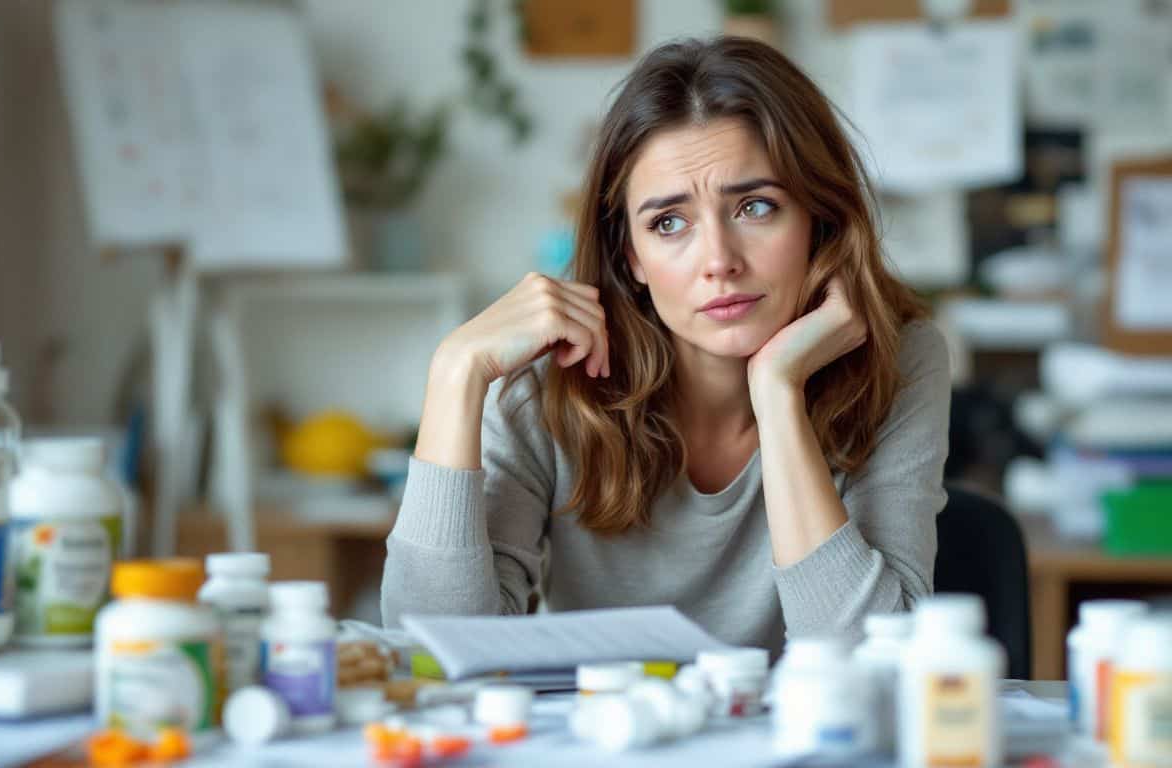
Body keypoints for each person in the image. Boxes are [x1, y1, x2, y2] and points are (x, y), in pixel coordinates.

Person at [381, 36, 949, 652]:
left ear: (820, 219)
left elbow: (875, 660)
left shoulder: (900, 358)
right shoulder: (548, 379)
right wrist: (453, 375)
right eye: (668, 223)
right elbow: (428, 655)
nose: (719, 261)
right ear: (632, 257)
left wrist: (778, 393)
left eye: (756, 206)